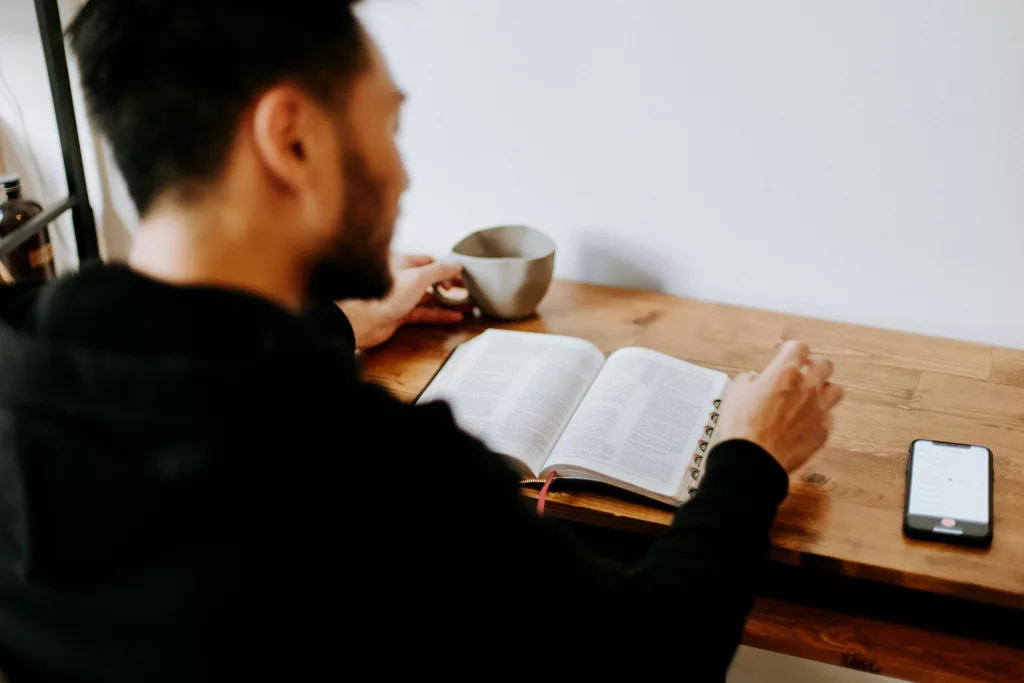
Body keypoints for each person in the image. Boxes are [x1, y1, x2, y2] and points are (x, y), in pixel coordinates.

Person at [0, 0, 843, 680]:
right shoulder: (383, 479)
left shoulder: (20, 363)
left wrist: (336, 322)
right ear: (292, 138)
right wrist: (749, 458)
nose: (402, 173)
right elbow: (650, 658)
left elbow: (200, 387)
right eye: (388, 126)